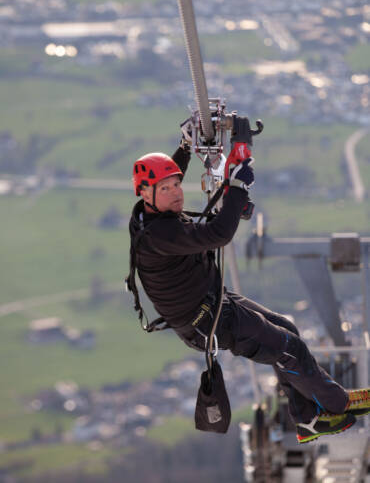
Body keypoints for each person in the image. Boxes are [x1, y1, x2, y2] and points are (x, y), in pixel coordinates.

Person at [127, 127, 369, 444]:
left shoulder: (148, 215)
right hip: (206, 320)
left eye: (176, 185)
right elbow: (219, 235)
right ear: (145, 194)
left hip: (211, 303)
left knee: (287, 330)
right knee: (288, 349)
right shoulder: (161, 235)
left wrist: (185, 148)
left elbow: (164, 178)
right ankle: (339, 404)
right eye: (166, 189)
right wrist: (237, 185)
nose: (176, 193)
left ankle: (308, 419)